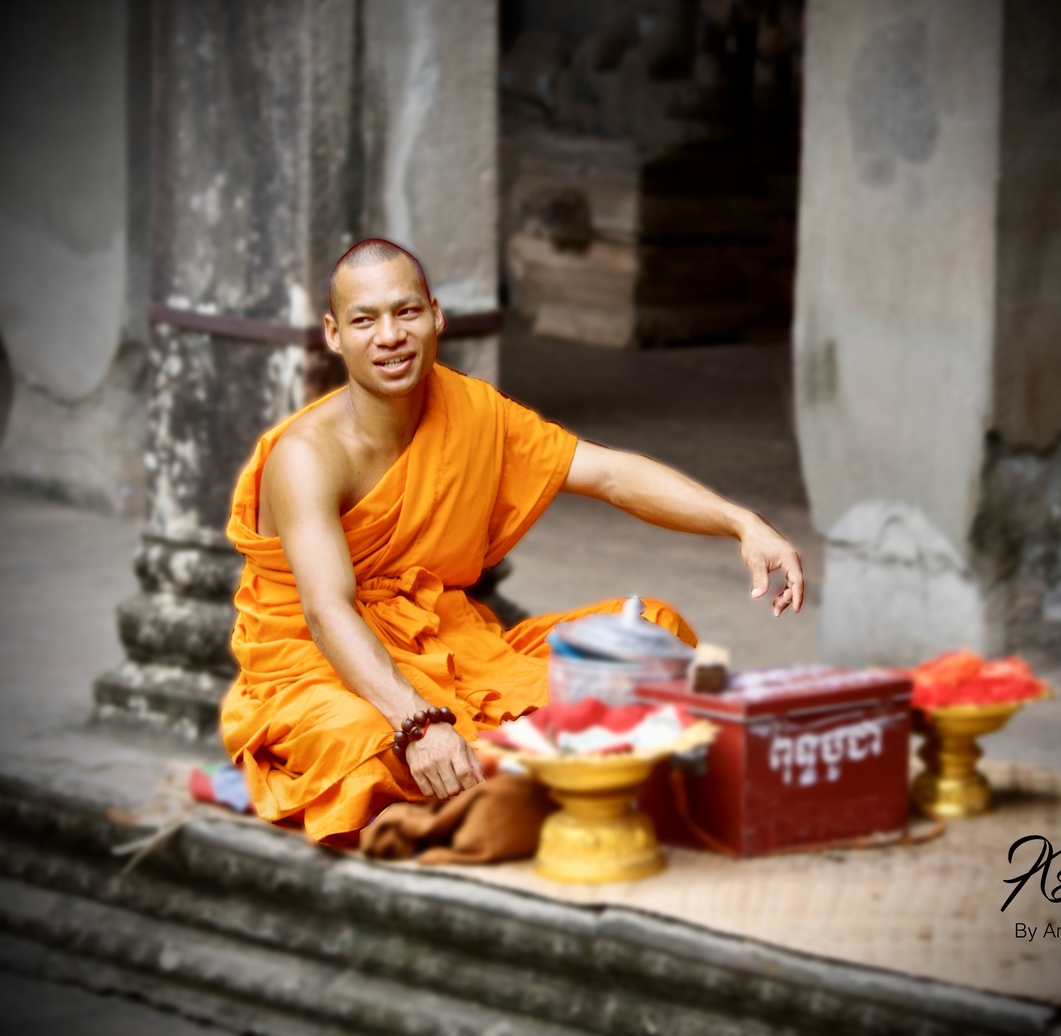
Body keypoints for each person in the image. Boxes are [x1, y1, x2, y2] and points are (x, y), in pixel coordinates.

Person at [222, 238, 804, 846]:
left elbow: (608, 474)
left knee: (651, 634)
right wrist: (418, 724)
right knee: (359, 745)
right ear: (335, 334)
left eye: (407, 312)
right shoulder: (307, 456)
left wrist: (739, 520)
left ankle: (508, 775)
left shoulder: (472, 411)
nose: (390, 335)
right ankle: (530, 771)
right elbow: (325, 610)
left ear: (436, 315)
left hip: (452, 647)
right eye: (364, 320)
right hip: (320, 667)